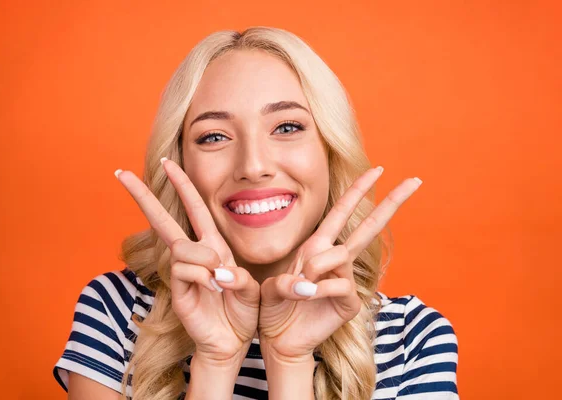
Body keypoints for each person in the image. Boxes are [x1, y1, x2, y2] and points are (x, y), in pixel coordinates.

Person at [53, 27, 459, 400]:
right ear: (181, 163)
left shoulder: (414, 340)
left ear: (331, 151)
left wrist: (289, 362)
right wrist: (215, 361)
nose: (253, 165)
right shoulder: (117, 311)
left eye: (286, 128)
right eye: (214, 136)